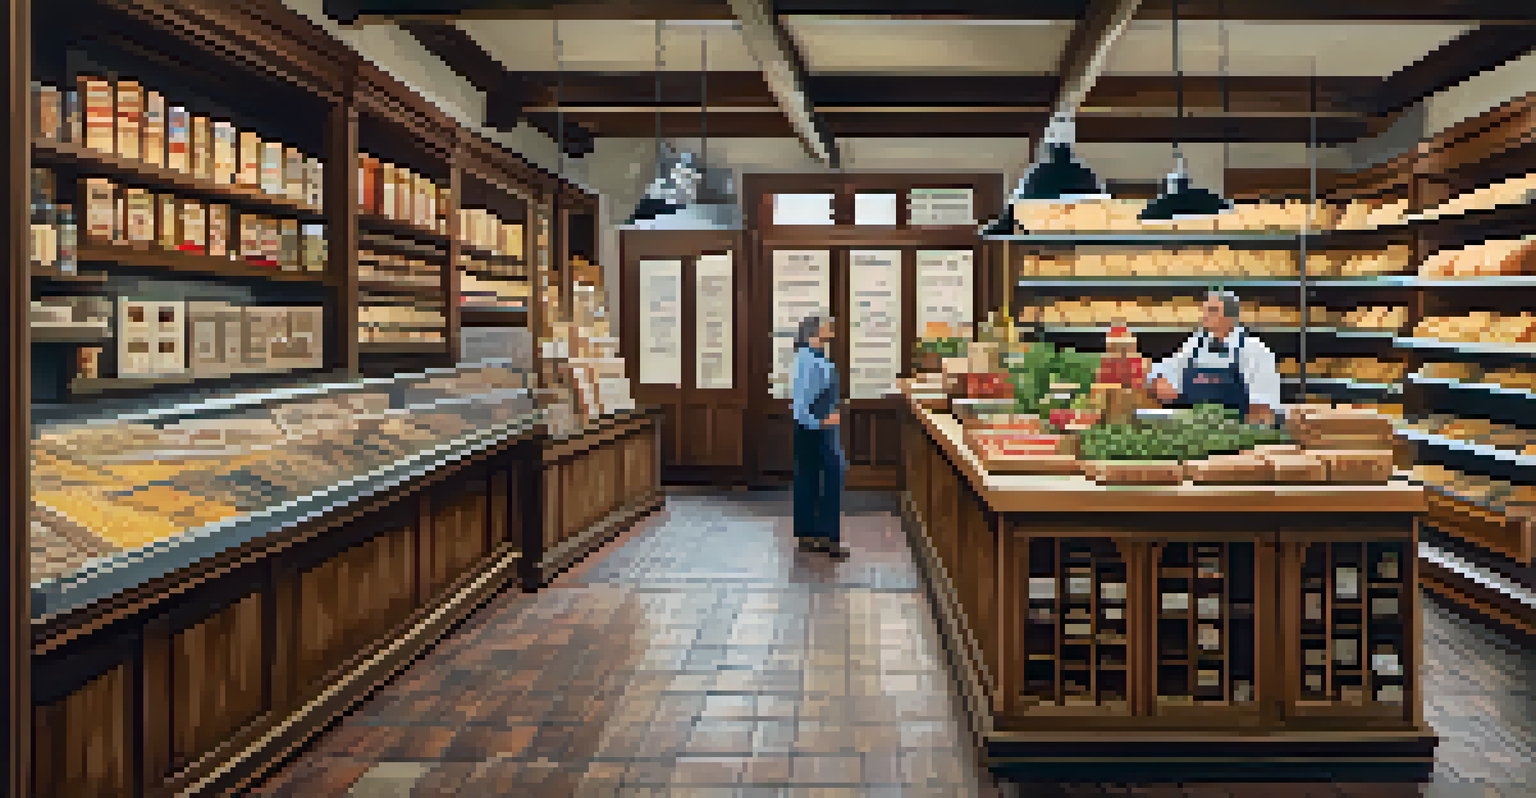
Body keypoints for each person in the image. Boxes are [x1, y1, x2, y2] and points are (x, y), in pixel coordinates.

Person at [1147, 290, 1282, 425]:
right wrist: (1159, 379)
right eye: (1205, 311)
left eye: (1212, 310)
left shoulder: (1254, 350)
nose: (1205, 316)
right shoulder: (1195, 345)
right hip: (1192, 431)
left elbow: (1264, 405)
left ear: (1231, 316)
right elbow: (1168, 367)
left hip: (1235, 433)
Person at [791, 313, 849, 558]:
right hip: (815, 430)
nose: (831, 326)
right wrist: (820, 421)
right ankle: (824, 538)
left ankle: (812, 535)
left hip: (817, 428)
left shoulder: (813, 357)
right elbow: (802, 401)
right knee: (826, 478)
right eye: (827, 324)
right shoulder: (808, 360)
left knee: (814, 478)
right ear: (815, 332)